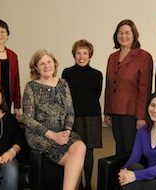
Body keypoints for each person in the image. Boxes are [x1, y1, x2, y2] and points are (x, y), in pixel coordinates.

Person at [23, 49, 87, 190]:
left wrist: (67, 130)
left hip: (62, 131)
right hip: (40, 135)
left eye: (49, 62)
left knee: (80, 147)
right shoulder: (31, 87)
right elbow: (27, 119)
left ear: (54, 63)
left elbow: (70, 112)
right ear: (36, 68)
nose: (46, 66)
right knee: (76, 162)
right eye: (41, 64)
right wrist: (52, 135)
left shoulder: (63, 84)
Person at [104, 19, 153, 154]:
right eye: (120, 33)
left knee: (131, 150)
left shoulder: (143, 57)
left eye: (127, 33)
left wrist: (142, 116)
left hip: (132, 113)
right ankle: (120, 175)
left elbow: (145, 89)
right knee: (119, 149)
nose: (123, 36)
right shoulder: (112, 57)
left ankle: (131, 175)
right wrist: (107, 111)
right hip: (115, 111)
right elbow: (108, 86)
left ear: (134, 35)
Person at [117, 90, 156, 190]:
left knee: (135, 184)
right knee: (133, 167)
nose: (155, 110)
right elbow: (134, 158)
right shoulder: (143, 131)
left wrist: (135, 176)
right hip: (149, 174)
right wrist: (124, 171)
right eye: (152, 105)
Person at [61, 39, 103, 190]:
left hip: (92, 116)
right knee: (75, 150)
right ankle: (77, 184)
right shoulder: (67, 73)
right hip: (73, 117)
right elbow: (64, 96)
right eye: (78, 53)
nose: (81, 56)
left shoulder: (97, 74)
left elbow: (96, 94)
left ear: (90, 56)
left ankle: (88, 185)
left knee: (89, 151)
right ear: (74, 55)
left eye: (85, 53)